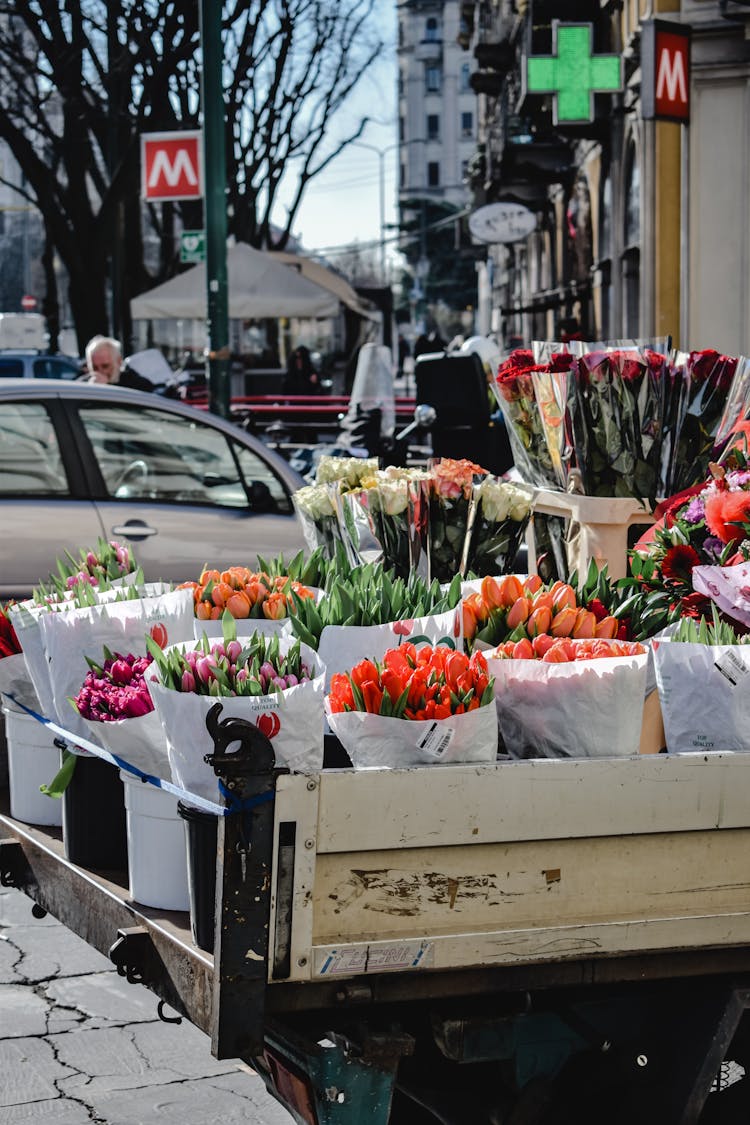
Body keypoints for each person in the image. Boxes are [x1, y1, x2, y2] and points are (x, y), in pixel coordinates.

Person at [83, 336, 155, 392]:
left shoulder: (137, 385)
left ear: (119, 362)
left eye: (105, 366)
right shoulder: (82, 385)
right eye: (94, 367)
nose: (100, 372)